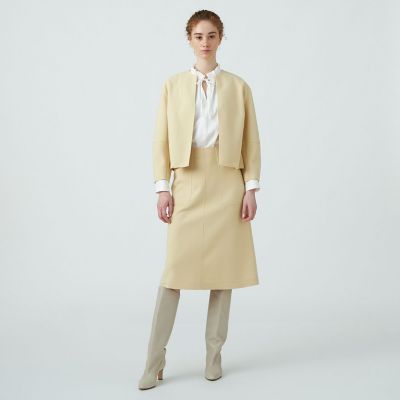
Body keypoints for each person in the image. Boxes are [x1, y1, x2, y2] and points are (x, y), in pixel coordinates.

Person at [138, 9, 261, 390]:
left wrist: (250, 187)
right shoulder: (172, 85)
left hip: (227, 183)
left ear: (220, 38)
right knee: (173, 274)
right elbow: (160, 138)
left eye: (211, 35)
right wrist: (162, 187)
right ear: (189, 40)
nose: (205, 42)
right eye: (198, 36)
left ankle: (213, 357)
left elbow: (251, 140)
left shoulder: (238, 87)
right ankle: (154, 360)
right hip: (187, 181)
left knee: (223, 275)